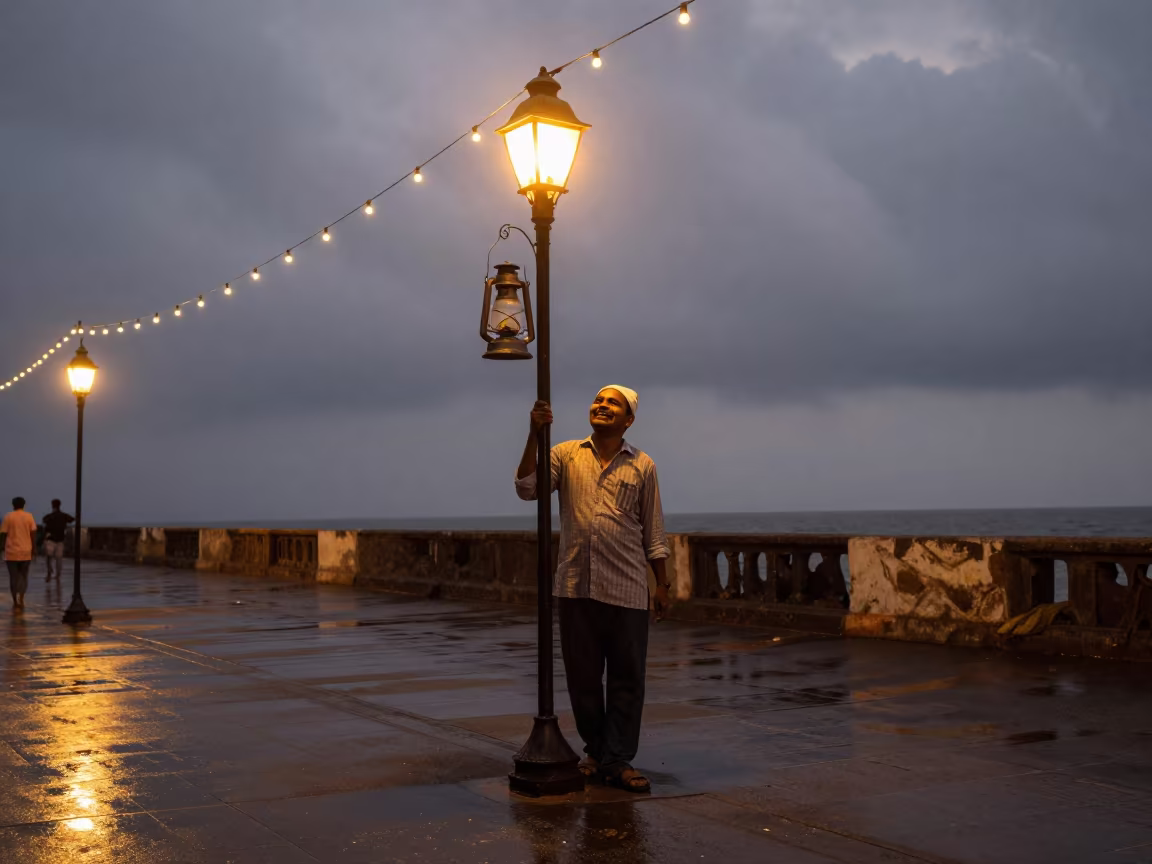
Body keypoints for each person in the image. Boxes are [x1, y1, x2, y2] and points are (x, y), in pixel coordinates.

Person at [515, 385, 671, 793]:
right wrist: (534, 433)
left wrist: (663, 584)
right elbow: (528, 488)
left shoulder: (643, 465)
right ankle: (597, 751)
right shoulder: (565, 454)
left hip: (628, 586)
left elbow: (653, 532)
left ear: (628, 420)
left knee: (626, 678)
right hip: (575, 586)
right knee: (584, 679)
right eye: (599, 400)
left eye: (612, 403)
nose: (602, 406)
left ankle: (617, 759)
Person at [1, 497, 38, 609]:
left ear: (13, 505)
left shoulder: (8, 516)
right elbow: (33, 533)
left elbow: (3, 534)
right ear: (24, 505)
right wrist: (34, 549)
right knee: (23, 575)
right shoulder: (29, 516)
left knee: (13, 577)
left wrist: (1, 547)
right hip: (25, 551)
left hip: (11, 552)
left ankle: (14, 601)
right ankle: (21, 597)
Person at [41, 499, 74, 581]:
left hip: (51, 539)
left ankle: (49, 572)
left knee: (49, 557)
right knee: (59, 558)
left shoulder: (49, 516)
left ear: (52, 505)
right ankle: (58, 575)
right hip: (60, 539)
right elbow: (72, 519)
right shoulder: (64, 516)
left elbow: (44, 521)